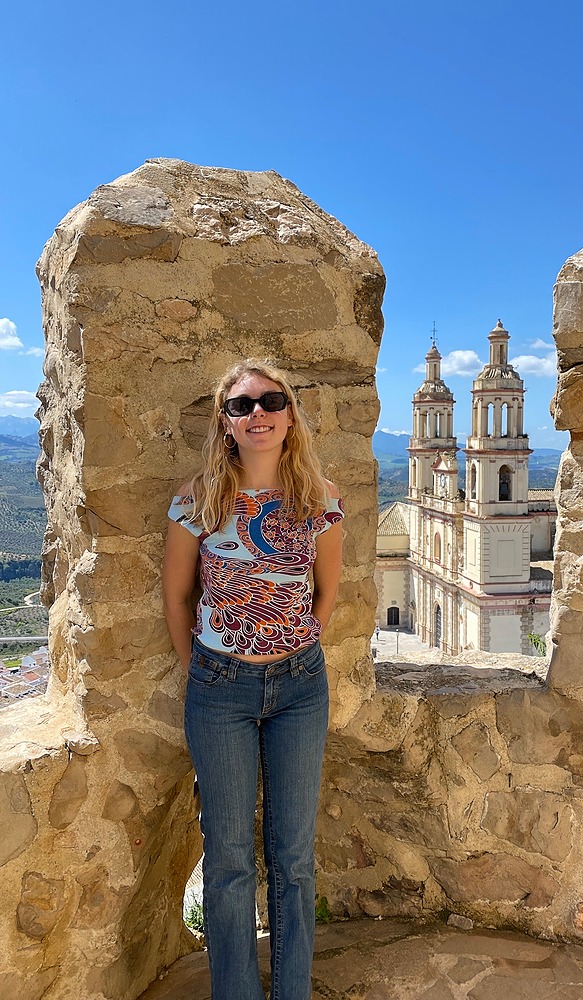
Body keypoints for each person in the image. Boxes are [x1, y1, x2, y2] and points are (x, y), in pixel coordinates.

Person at [162, 358, 344, 1000]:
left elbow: (328, 592)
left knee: (293, 858)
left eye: (271, 402)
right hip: (221, 691)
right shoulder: (197, 501)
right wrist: (204, 672)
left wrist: (295, 645)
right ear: (225, 423)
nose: (258, 414)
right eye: (242, 406)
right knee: (231, 859)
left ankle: (291, 991)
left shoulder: (319, 501)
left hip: (300, 689)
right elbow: (178, 599)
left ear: (291, 416)